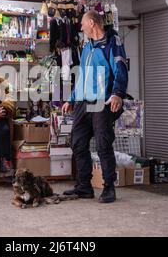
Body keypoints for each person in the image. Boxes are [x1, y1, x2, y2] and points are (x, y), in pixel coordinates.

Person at [62, 10, 129, 203]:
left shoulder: (112, 43)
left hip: (102, 102)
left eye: (83, 24)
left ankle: (109, 188)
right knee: (78, 143)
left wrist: (117, 93)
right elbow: (82, 77)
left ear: (92, 23)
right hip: (83, 103)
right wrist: (72, 99)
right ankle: (84, 187)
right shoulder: (87, 47)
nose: (81, 27)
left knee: (103, 145)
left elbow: (120, 69)